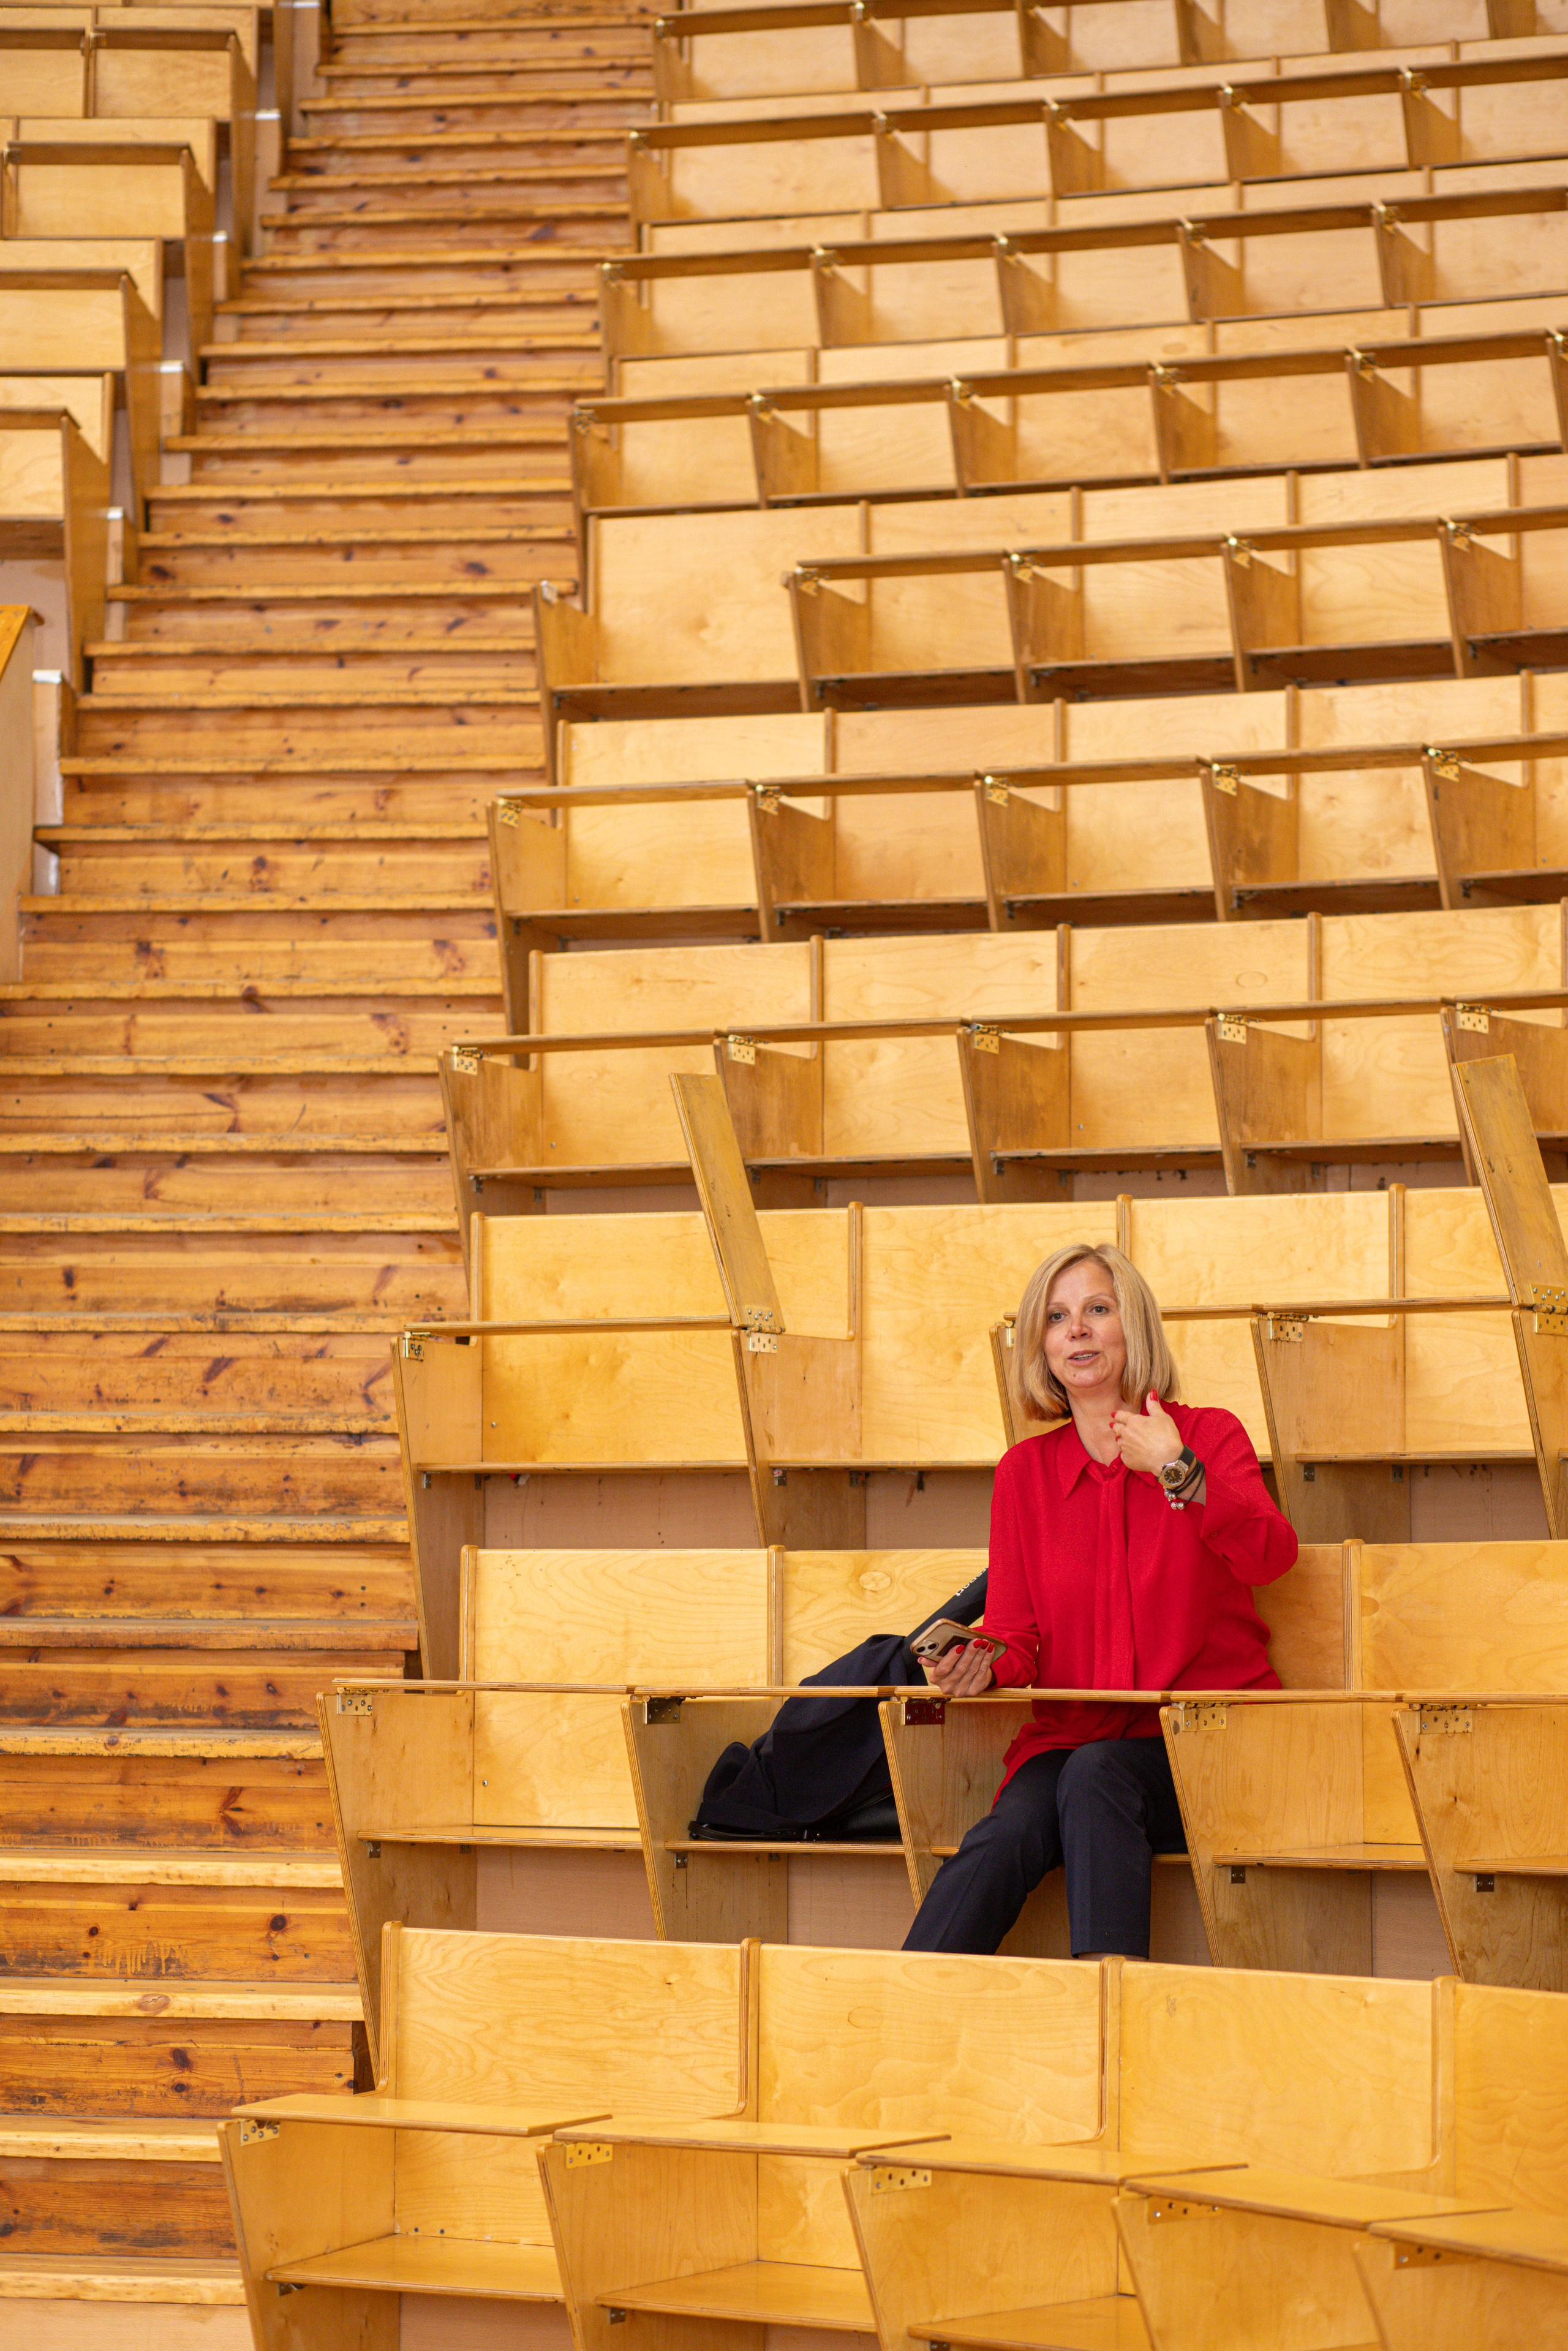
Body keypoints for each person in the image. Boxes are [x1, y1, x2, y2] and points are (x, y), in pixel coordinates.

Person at [903, 1240, 1297, 1961]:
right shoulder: (1024, 1473)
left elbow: (1271, 1555)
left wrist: (1177, 1471)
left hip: (1205, 1742)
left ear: (1131, 1328)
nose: (1076, 1329)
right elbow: (1018, 1636)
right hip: (1075, 1742)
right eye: (1056, 1317)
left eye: (1096, 1309)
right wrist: (978, 1661)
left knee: (1095, 1775)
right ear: (1042, 1347)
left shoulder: (1206, 1435)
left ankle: (1113, 2007)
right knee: (1003, 1835)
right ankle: (898, 2010)